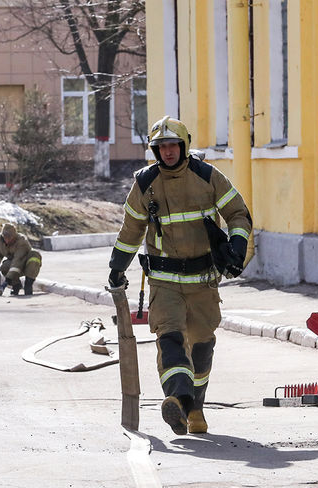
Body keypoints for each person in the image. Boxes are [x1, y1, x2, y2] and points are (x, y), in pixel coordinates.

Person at [108, 116, 252, 435]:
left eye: (173, 145)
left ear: (184, 146)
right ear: (155, 151)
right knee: (169, 339)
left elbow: (238, 213)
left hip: (203, 281)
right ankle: (176, 399)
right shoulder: (145, 183)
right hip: (165, 281)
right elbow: (131, 230)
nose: (168, 152)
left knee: (202, 346)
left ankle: (195, 408)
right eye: (161, 147)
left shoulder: (207, 176)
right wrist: (117, 267)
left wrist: (238, 246)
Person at [0, 222, 42, 296]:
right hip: (14, 263)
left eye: (9, 238)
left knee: (34, 256)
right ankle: (16, 285)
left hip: (26, 263)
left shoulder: (21, 241)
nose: (7, 240)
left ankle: (28, 284)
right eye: (5, 237)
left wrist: (8, 278)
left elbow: (18, 260)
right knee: (4, 267)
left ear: (14, 236)